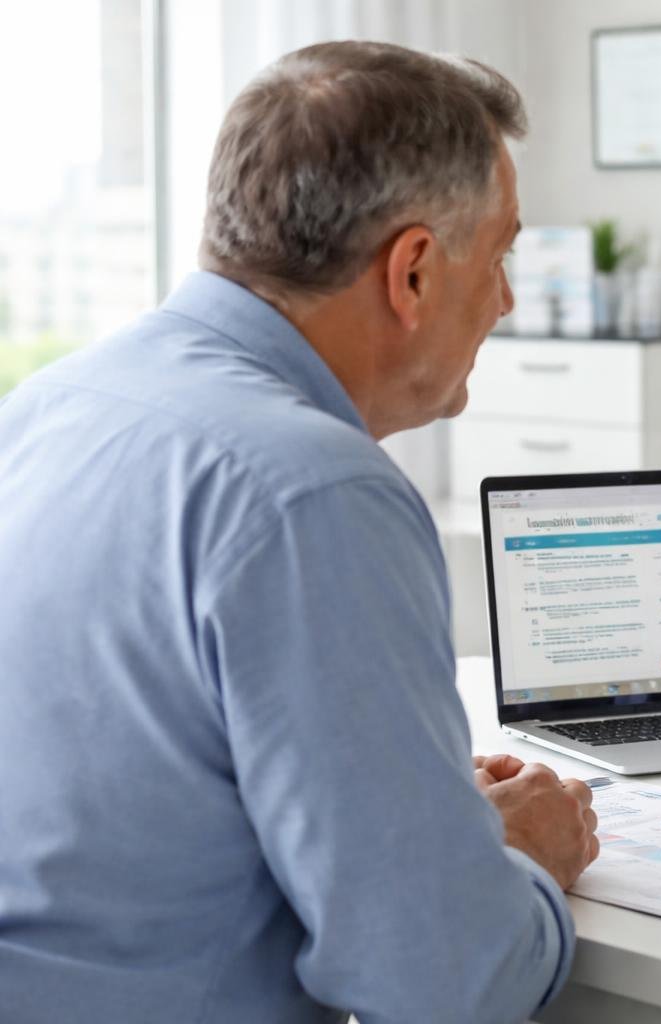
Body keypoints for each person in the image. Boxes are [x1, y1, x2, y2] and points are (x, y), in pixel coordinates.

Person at [0, 41, 597, 1023]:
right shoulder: (312, 490)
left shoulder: (57, 400)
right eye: (498, 256)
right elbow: (445, 980)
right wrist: (524, 860)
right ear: (411, 273)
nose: (506, 300)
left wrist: (435, 840)